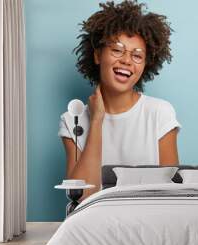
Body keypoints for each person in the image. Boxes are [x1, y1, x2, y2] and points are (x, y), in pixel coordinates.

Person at [58, 0, 181, 200]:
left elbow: (170, 193)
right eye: (117, 50)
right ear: (98, 55)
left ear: (145, 65)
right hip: (93, 225)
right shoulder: (72, 120)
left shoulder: (160, 113)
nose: (126, 60)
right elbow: (81, 197)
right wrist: (96, 121)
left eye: (137, 56)